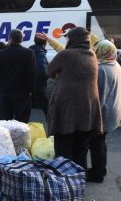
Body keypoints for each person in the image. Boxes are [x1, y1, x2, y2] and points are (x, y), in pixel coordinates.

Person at [47, 27, 102, 170]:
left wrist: (60, 73)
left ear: (73, 39)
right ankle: (78, 181)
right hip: (87, 110)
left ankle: (64, 182)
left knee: (63, 148)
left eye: (68, 38)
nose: (66, 40)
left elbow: (49, 71)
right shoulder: (92, 55)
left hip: (66, 108)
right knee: (80, 151)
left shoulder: (65, 54)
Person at [86, 40, 121, 183]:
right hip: (113, 111)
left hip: (103, 113)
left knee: (96, 142)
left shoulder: (102, 69)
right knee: (99, 142)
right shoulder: (115, 65)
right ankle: (100, 170)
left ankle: (97, 174)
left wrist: (92, 117)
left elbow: (99, 96)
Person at [0, 29, 36, 123]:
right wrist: (30, 90)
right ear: (22, 40)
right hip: (22, 93)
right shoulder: (29, 53)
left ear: (10, 39)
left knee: (4, 123)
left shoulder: (0, 54)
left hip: (4, 92)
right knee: (21, 123)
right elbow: (31, 74)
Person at [29, 36, 49, 117]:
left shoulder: (30, 51)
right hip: (39, 86)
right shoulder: (40, 53)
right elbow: (42, 72)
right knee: (47, 107)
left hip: (28, 86)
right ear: (45, 43)